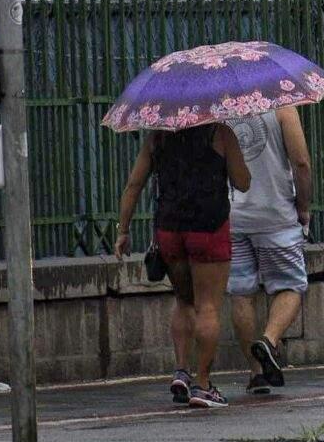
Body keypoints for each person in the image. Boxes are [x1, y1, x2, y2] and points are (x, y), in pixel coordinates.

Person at [114, 124, 250, 408]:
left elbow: (133, 185)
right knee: (208, 306)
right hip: (209, 227)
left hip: (170, 230)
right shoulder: (220, 133)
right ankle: (203, 385)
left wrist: (123, 231)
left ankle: (181, 371)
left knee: (183, 300)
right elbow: (243, 182)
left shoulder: (158, 136)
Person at [226, 107, 313, 395]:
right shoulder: (283, 106)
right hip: (276, 215)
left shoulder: (220, 106)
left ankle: (257, 373)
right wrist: (303, 206)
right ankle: (269, 339)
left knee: (241, 293)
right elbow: (301, 162)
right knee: (291, 286)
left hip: (233, 215)